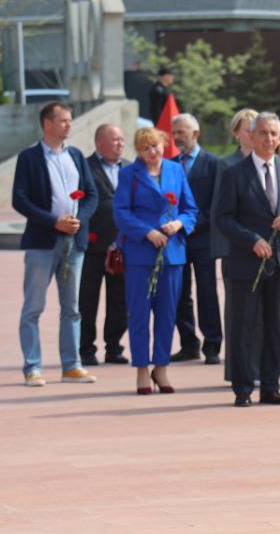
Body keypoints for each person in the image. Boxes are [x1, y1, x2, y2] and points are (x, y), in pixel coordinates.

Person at [217, 112, 280, 407]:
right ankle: (243, 388)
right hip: (246, 262)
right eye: (263, 133)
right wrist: (251, 240)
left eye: (274, 134)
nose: (269, 139)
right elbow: (223, 218)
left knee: (274, 326)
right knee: (243, 326)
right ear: (251, 137)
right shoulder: (234, 174)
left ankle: (271, 386)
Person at [12, 101, 100, 387]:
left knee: (72, 307)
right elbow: (20, 199)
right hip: (42, 241)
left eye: (70, 120)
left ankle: (71, 365)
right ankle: (32, 366)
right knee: (33, 307)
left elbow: (91, 195)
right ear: (47, 123)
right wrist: (53, 221)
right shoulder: (29, 158)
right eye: (63, 120)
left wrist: (79, 220)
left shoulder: (75, 156)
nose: (69, 125)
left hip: (74, 242)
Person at [113, 127, 199, 394]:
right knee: (139, 312)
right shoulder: (129, 174)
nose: (152, 152)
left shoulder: (175, 170)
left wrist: (179, 224)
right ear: (138, 151)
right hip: (141, 253)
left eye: (156, 146)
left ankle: (160, 367)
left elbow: (191, 209)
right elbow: (120, 212)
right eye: (145, 148)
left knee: (167, 313)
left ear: (165, 144)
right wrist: (146, 232)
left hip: (172, 254)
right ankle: (141, 367)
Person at [170, 113, 222, 365]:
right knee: (180, 292)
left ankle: (212, 344)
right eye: (175, 132)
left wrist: (190, 223)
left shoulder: (213, 164)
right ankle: (188, 342)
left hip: (203, 239)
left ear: (196, 133)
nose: (177, 137)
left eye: (182, 132)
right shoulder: (169, 165)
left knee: (207, 291)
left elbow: (216, 204)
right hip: (176, 240)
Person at [214, 108, 258, 385]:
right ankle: (236, 369)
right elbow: (220, 211)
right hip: (236, 249)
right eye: (247, 129)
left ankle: (258, 366)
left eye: (257, 128)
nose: (252, 134)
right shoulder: (226, 165)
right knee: (237, 313)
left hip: (265, 250)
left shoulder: (271, 163)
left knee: (263, 315)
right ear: (237, 133)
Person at [79, 124, 128, 366]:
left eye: (121, 139)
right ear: (99, 142)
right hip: (93, 246)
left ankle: (114, 347)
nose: (120, 144)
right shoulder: (85, 167)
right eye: (114, 140)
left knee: (120, 299)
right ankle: (86, 349)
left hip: (122, 248)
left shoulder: (130, 168)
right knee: (87, 300)